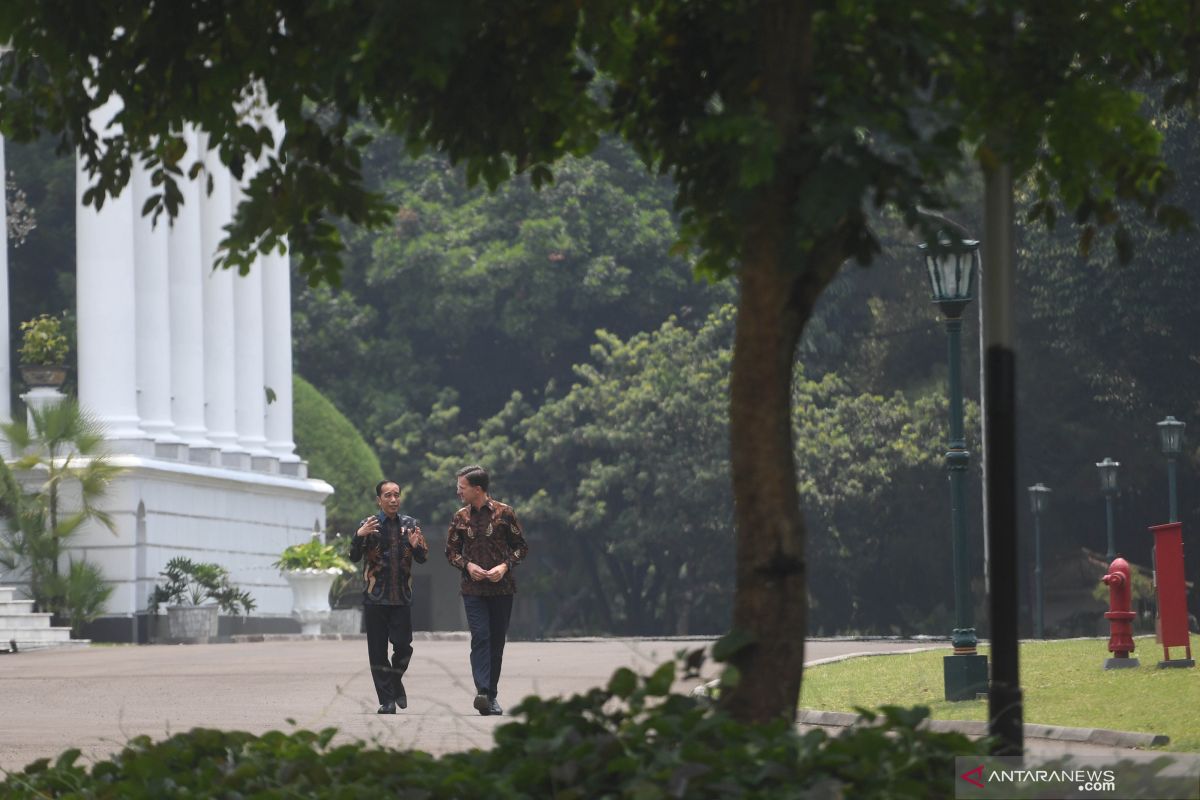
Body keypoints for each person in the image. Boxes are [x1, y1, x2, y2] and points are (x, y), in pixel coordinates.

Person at [445, 464, 528, 716]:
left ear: (477, 489)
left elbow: (521, 548)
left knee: (496, 642)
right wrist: (467, 565)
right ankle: (482, 691)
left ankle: (491, 695)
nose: (458, 492)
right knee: (480, 636)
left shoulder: (505, 513)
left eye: (462, 487)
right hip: (473, 590)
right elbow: (451, 551)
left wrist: (504, 567)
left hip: (502, 589)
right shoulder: (460, 517)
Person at [350, 479, 428, 714]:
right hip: (375, 597)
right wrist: (358, 535)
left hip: (401, 596)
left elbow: (423, 557)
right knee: (377, 651)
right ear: (379, 500)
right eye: (388, 496)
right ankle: (386, 701)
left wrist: (416, 546)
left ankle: (395, 681)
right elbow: (354, 556)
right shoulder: (369, 524)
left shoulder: (411, 524)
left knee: (404, 647)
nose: (393, 500)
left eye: (396, 495)